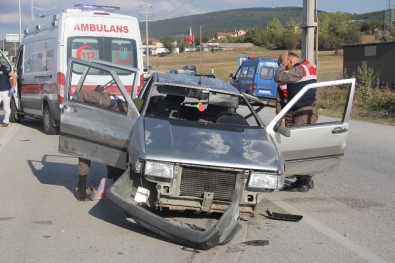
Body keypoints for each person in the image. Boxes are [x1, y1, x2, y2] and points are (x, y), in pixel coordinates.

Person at [275, 51, 317, 192]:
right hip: (292, 111)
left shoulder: (301, 67)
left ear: (291, 62)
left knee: (302, 146)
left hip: (303, 112)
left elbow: (278, 76)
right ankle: (301, 179)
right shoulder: (296, 73)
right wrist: (280, 117)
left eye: (287, 66)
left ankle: (304, 181)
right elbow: (280, 99)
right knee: (294, 146)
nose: (286, 70)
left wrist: (282, 65)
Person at [73, 89, 125, 201]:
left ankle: (108, 185)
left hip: (102, 131)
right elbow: (82, 95)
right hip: (92, 129)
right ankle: (83, 190)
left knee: (110, 155)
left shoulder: (109, 101)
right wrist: (110, 101)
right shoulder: (103, 97)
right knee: (86, 155)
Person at [0, 60, 17, 127]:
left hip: (6, 91)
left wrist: (13, 87)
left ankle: (5, 122)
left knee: (6, 108)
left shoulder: (4, 68)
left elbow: (14, 76)